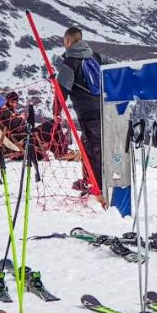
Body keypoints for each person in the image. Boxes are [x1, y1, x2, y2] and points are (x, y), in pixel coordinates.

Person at [54, 27, 104, 194]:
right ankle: (92, 181)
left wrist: (56, 112)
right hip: (104, 109)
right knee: (94, 146)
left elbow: (61, 91)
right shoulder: (95, 56)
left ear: (68, 41)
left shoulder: (70, 62)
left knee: (93, 149)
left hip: (87, 113)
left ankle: (95, 186)